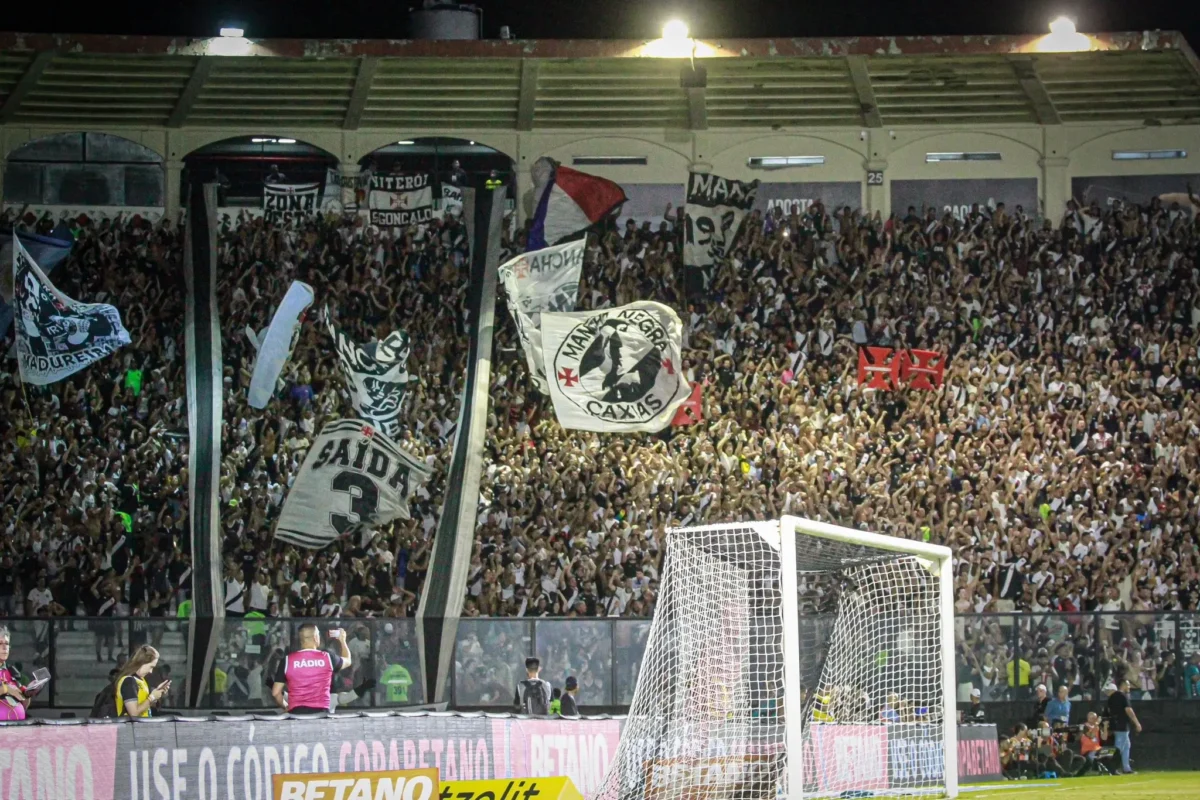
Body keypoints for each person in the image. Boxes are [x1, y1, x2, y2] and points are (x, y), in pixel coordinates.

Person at [272, 625, 351, 714]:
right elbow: (348, 661)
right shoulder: (328, 658)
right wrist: (343, 640)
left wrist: (286, 706)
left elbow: (275, 693)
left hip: (296, 714)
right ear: (316, 637)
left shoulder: (287, 660)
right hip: (321, 714)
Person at [116, 645, 171, 717]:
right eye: (151, 667)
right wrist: (152, 698)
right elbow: (133, 713)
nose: (151, 671)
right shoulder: (128, 681)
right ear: (142, 662)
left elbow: (144, 707)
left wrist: (157, 693)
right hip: (130, 727)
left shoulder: (142, 681)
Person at [1104, 679, 1142, 775]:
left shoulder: (1110, 699)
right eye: (1128, 685)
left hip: (1115, 725)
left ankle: (1126, 767)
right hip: (1122, 725)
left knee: (1126, 746)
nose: (1129, 687)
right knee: (1119, 747)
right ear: (1123, 685)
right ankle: (1113, 768)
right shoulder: (1121, 696)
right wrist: (1137, 723)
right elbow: (1128, 710)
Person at [0, 627, 34, 721]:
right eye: (0, 643)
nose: (4, 647)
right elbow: (7, 690)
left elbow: (24, 705)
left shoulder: (11, 671)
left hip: (18, 727)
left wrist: (27, 694)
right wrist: (6, 689)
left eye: (6, 644)